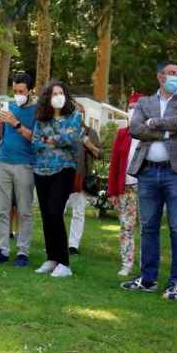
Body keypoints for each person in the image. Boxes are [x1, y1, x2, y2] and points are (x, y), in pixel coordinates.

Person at [121, 61, 177, 300]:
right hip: (148, 171)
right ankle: (148, 279)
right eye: (171, 73)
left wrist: (154, 124)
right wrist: (166, 130)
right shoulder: (145, 102)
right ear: (160, 76)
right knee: (148, 227)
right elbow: (135, 129)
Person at [31, 82, 84, 277]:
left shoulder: (75, 116)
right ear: (48, 97)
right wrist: (51, 140)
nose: (58, 96)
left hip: (63, 170)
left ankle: (64, 263)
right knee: (46, 215)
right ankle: (52, 258)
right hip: (41, 170)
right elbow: (35, 142)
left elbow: (70, 139)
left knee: (55, 212)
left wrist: (50, 139)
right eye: (54, 93)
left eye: (61, 93)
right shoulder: (41, 119)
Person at [0, 73, 38, 267]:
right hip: (2, 162)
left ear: (30, 91)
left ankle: (23, 252)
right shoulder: (8, 106)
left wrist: (15, 123)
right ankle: (2, 249)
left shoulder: (36, 111)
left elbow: (35, 138)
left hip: (24, 164)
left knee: (25, 211)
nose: (17, 94)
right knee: (2, 210)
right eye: (15, 90)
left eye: (21, 91)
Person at [107, 93, 144, 276]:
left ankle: (147, 264)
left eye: (136, 107)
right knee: (126, 226)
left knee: (147, 228)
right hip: (126, 188)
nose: (132, 110)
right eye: (130, 107)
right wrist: (112, 191)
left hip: (146, 188)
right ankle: (127, 263)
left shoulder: (149, 134)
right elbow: (114, 164)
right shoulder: (122, 134)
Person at [65, 104, 102, 255]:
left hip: (81, 177)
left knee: (78, 212)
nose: (78, 115)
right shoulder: (63, 128)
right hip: (63, 175)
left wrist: (89, 144)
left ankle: (73, 245)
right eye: (75, 112)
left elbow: (100, 155)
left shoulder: (90, 132)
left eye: (81, 113)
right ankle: (56, 241)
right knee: (57, 210)